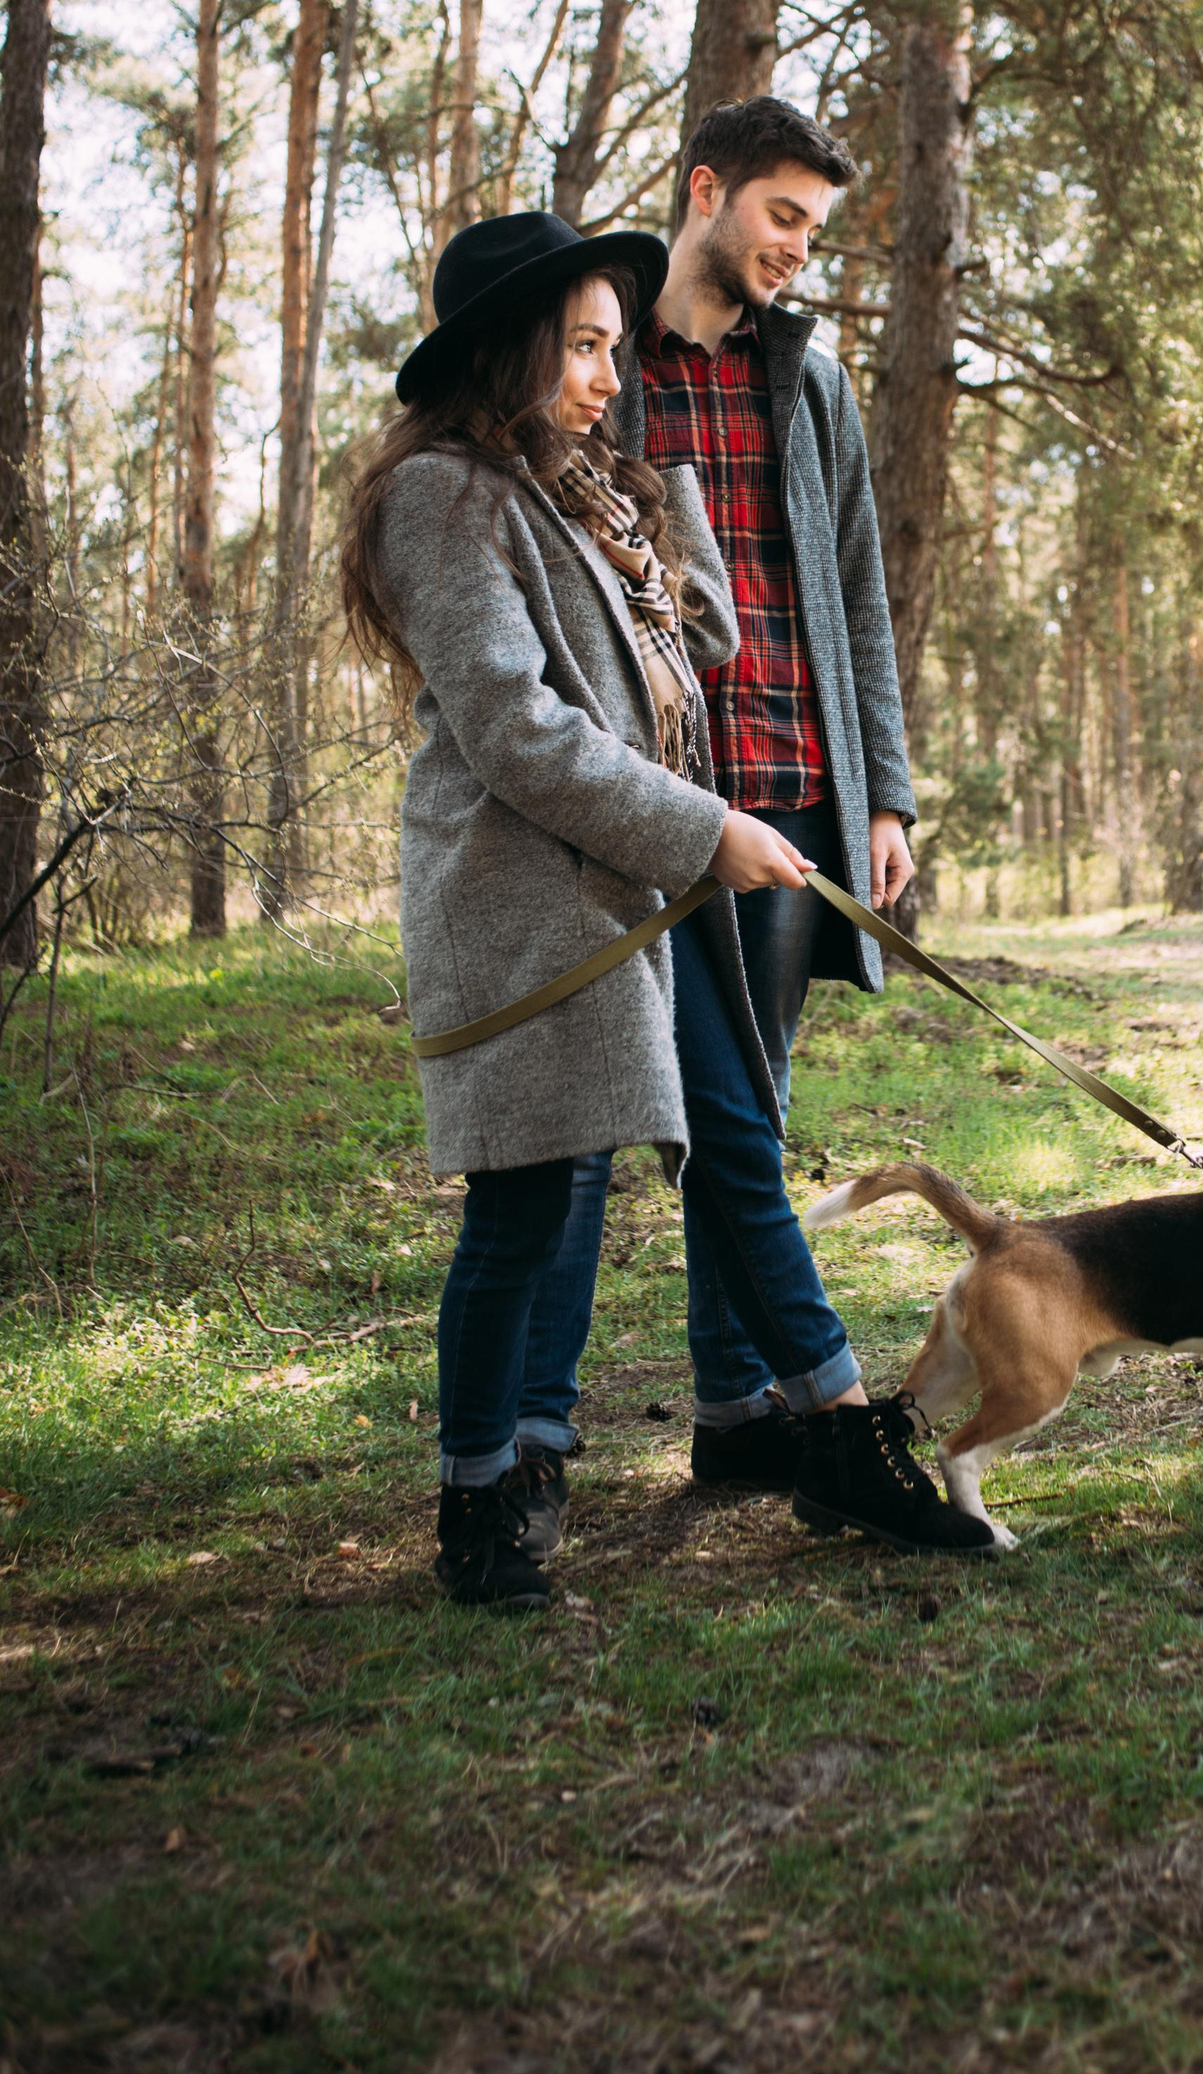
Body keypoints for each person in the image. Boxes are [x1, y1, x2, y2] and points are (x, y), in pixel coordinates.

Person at [341, 210, 992, 1605]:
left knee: (732, 1141)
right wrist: (711, 830)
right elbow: (520, 733)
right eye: (582, 348)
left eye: (612, 349)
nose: (607, 377)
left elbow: (703, 641)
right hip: (529, 904)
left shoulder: (578, 494)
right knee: (525, 1208)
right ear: (507, 351)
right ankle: (482, 1496)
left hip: (633, 886)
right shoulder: (443, 500)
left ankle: (826, 1427)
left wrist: (657, 502)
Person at [612, 97, 916, 1128]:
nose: (797, 249)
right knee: (627, 1101)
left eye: (812, 230)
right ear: (707, 191)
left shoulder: (814, 386)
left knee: (751, 1107)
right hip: (650, 797)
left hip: (790, 791)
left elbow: (860, 597)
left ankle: (741, 1248)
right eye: (783, 216)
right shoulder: (600, 369)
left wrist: (883, 798)